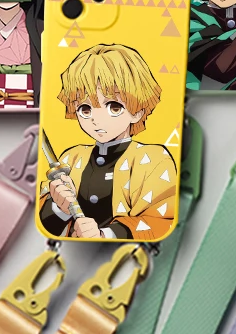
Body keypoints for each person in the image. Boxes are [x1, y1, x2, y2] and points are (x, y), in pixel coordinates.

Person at [39, 44, 177, 240]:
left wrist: (106, 234)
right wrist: (59, 208)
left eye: (114, 107)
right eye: (85, 109)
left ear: (137, 111)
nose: (97, 119)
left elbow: (161, 219)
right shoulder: (71, 158)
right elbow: (45, 224)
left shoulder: (153, 160)